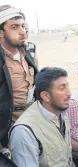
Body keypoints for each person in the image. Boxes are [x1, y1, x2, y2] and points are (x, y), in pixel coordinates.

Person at [9, 67, 78, 167]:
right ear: (46, 96)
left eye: (67, 87)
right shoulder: (24, 133)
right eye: (62, 88)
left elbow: (60, 141)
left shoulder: (60, 112)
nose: (69, 94)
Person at [0, 5, 38, 150]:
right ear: (1, 33)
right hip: (8, 124)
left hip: (31, 118)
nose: (23, 32)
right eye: (15, 27)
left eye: (22, 26)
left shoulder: (29, 51)